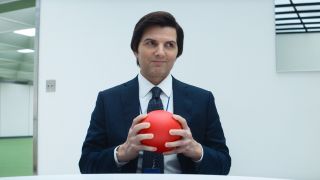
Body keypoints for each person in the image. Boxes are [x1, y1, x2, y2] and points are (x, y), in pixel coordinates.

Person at [79, 11, 231, 174]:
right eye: (151, 43)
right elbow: (87, 164)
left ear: (177, 53)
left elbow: (223, 165)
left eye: (169, 45)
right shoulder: (108, 100)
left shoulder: (203, 99)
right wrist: (122, 153)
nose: (160, 52)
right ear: (135, 49)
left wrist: (196, 150)